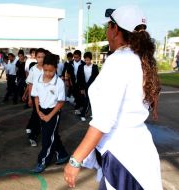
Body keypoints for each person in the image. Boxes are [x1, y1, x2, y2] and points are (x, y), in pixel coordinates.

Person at [64, 5, 162, 190]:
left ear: (115, 29)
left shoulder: (119, 61)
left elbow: (103, 121)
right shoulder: (142, 59)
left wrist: (75, 160)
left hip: (123, 159)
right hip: (138, 152)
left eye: (108, 27)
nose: (107, 32)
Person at [31, 53, 69, 173]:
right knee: (52, 135)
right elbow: (36, 96)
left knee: (47, 138)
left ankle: (42, 161)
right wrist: (38, 111)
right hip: (41, 111)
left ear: (56, 69)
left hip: (53, 112)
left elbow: (61, 102)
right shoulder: (38, 79)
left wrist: (49, 116)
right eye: (45, 70)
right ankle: (62, 155)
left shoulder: (59, 83)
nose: (47, 73)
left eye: (51, 71)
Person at [24, 48, 46, 146]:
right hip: (35, 96)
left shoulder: (48, 68)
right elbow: (30, 84)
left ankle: (30, 127)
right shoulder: (33, 69)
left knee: (37, 115)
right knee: (37, 115)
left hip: (46, 97)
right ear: (35, 58)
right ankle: (32, 136)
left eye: (43, 57)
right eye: (39, 57)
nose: (41, 59)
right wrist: (29, 98)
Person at [77, 52, 99, 121]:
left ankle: (83, 114)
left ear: (91, 59)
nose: (87, 61)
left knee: (90, 100)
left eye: (88, 60)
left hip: (92, 87)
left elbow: (97, 78)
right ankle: (83, 113)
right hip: (84, 87)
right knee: (86, 100)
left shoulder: (95, 67)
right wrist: (81, 88)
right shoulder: (81, 67)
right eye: (85, 60)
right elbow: (79, 78)